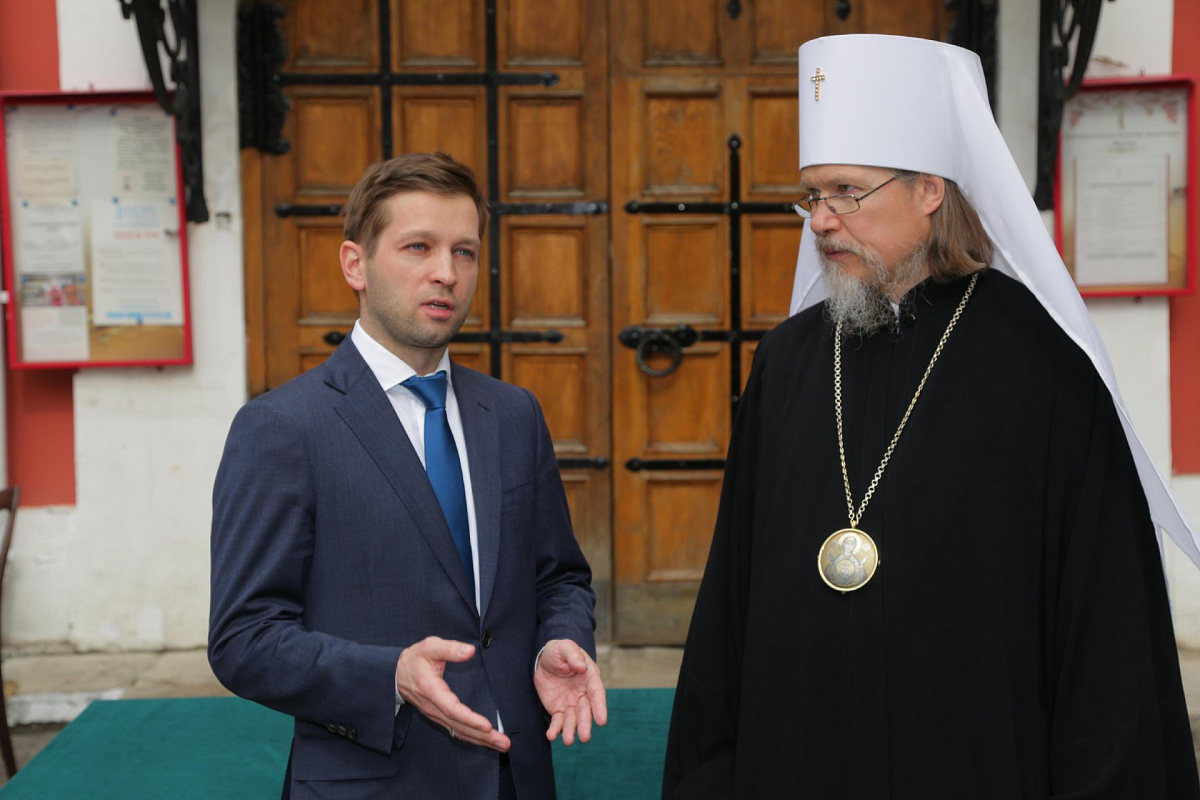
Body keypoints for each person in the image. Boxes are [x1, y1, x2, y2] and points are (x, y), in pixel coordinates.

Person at [663, 34, 1200, 799]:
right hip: (798, 758)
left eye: (847, 192)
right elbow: (730, 604)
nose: (820, 221)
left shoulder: (1043, 365)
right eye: (812, 195)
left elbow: (1104, 628)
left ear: (928, 191)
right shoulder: (787, 361)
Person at [209, 152, 606, 800]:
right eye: (418, 247)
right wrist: (390, 675)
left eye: (465, 252)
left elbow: (559, 576)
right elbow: (243, 639)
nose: (446, 272)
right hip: (372, 782)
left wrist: (557, 643)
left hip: (515, 777)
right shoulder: (282, 427)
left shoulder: (513, 414)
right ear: (354, 264)